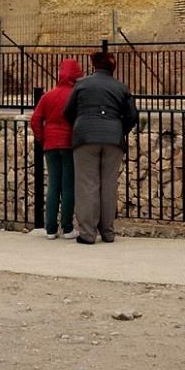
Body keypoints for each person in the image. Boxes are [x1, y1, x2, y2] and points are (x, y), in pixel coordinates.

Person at [63, 50, 136, 245]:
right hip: (113, 138)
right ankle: (108, 232)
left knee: (87, 184)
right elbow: (132, 116)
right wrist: (119, 129)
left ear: (94, 65)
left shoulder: (82, 84)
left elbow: (68, 111)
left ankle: (87, 233)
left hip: (85, 137)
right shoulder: (121, 87)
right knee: (108, 185)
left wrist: (81, 124)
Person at [29, 58, 81, 239]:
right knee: (68, 185)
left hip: (50, 143)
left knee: (53, 185)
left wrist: (42, 138)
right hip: (68, 143)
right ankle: (67, 227)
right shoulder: (75, 95)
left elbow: (35, 120)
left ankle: (50, 228)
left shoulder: (48, 95)